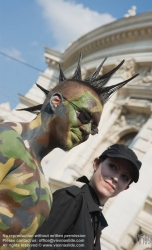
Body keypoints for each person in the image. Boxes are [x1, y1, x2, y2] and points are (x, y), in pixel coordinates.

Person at [0, 54, 138, 248]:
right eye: (84, 117)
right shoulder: (7, 140)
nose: (87, 130)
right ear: (56, 102)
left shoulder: (45, 188)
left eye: (94, 127)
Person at [31, 144, 142, 250]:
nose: (116, 178)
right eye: (113, 166)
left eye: (125, 177)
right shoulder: (71, 199)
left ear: (126, 188)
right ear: (96, 163)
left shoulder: (96, 222)